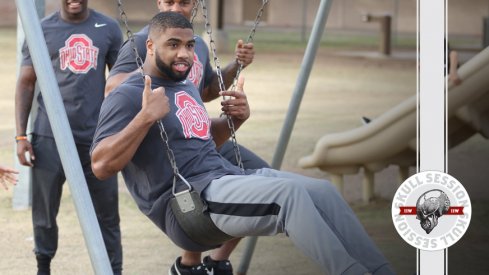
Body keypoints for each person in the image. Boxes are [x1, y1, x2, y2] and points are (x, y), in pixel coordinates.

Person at [91, 12, 395, 275]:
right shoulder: (129, 94)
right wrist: (144, 118)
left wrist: (235, 121)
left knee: (323, 191)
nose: (184, 53)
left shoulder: (183, 86)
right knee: (287, 195)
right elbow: (101, 165)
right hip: (189, 203)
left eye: (188, 45)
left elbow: (203, 141)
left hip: (222, 179)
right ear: (149, 46)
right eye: (173, 44)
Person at [106, 0, 269, 274]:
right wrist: (157, 68)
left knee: (260, 179)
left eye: (183, 2)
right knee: (196, 194)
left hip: (199, 133)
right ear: (159, 3)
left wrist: (236, 65)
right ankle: (189, 265)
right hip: (168, 136)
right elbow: (112, 86)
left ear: (194, 5)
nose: (176, 7)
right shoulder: (145, 40)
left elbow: (207, 90)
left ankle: (217, 261)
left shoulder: (197, 45)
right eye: (169, 1)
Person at [15, 1, 123, 274]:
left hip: (96, 139)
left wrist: (118, 130)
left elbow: (121, 82)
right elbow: (26, 82)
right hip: (48, 137)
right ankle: (43, 268)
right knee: (44, 214)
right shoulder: (40, 30)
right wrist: (20, 137)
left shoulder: (108, 28)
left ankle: (113, 271)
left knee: (107, 215)